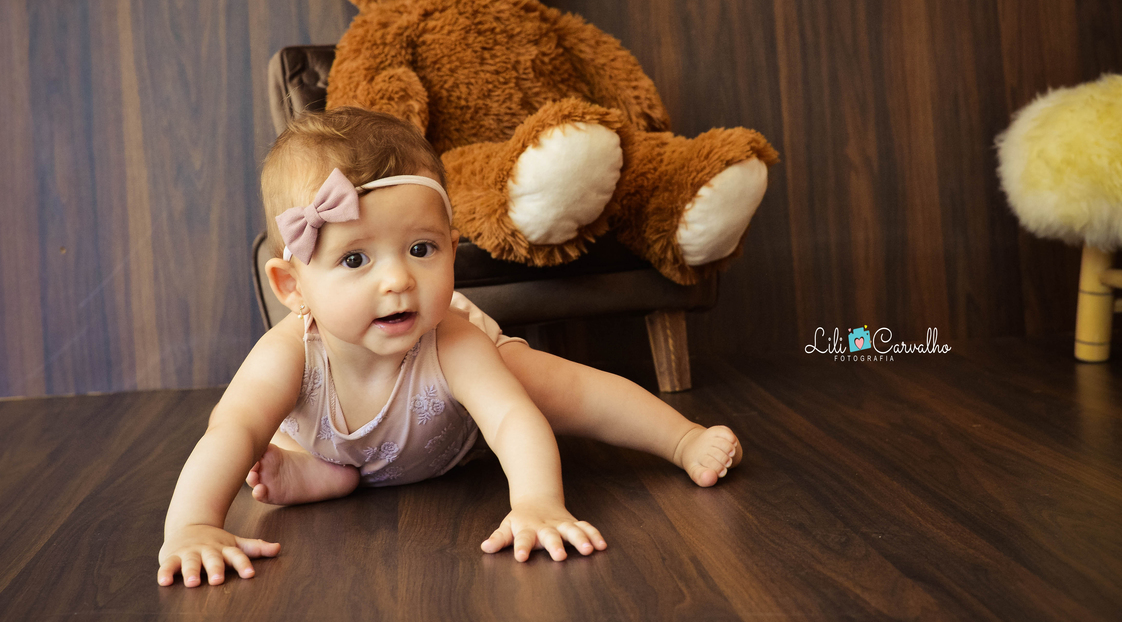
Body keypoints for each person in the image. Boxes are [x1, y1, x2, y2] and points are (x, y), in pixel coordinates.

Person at [157, 108, 742, 588]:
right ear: (292, 286)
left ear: (452, 251)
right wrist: (192, 525)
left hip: (451, 435)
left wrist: (537, 502)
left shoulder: (452, 338)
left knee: (547, 385)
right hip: (339, 446)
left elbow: (512, 418)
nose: (398, 281)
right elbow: (229, 429)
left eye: (421, 249)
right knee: (268, 436)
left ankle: (680, 436)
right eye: (355, 259)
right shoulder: (288, 355)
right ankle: (324, 472)